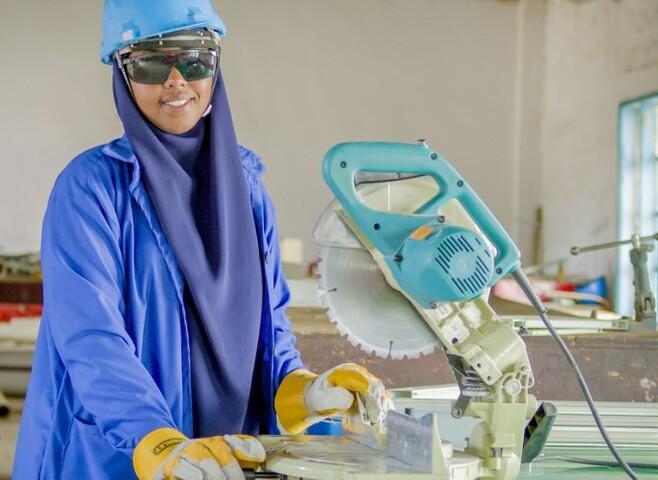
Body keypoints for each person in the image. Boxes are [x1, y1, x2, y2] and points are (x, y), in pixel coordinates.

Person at [13, 1, 390, 479]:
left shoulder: (247, 186)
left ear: (214, 69)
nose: (175, 81)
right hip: (114, 461)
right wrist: (158, 441)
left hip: (232, 459)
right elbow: (91, 340)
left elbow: (268, 333)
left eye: (193, 60)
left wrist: (304, 390)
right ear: (122, 75)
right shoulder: (91, 188)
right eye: (151, 62)